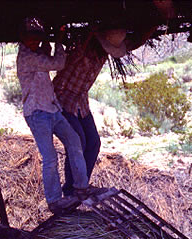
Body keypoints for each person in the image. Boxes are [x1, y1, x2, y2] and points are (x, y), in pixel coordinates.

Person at [16, 18, 92, 213]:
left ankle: (81, 187)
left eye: (36, 38)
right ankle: (54, 200)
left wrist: (49, 40)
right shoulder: (26, 58)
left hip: (52, 109)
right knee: (50, 158)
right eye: (30, 38)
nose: (34, 42)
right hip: (37, 113)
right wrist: (58, 40)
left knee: (74, 142)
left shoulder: (34, 53)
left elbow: (45, 52)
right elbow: (58, 63)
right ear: (22, 39)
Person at [53, 29, 126, 196]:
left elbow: (135, 42)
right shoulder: (81, 52)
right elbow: (61, 77)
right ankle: (72, 188)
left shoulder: (101, 57)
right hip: (63, 100)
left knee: (94, 143)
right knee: (78, 143)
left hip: (81, 103)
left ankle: (82, 183)